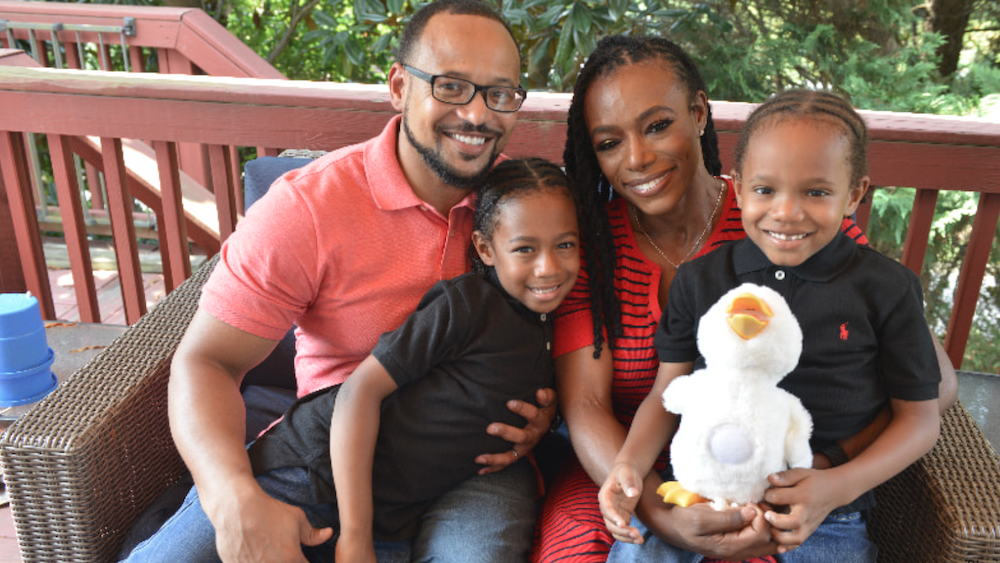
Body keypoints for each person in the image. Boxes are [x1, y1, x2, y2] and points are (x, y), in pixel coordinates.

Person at [119, 2, 557, 562]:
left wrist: (547, 410)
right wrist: (231, 496)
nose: (477, 115)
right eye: (451, 87)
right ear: (399, 86)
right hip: (324, 457)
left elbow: (576, 340)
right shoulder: (308, 207)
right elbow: (208, 361)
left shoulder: (525, 211)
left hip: (471, 463)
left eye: (499, 94)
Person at [531, 35, 958, 563]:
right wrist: (660, 514)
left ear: (699, 113)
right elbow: (588, 405)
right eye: (609, 142)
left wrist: (828, 470)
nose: (637, 158)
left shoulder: (785, 225)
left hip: (787, 484)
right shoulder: (590, 241)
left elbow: (929, 388)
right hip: (634, 469)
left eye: (658, 125)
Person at [244, 157, 580, 562]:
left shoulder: (560, 319)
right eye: (525, 248)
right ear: (485, 249)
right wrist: (356, 535)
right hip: (314, 466)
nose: (549, 268)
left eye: (565, 245)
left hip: (397, 511)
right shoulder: (467, 305)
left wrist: (543, 427)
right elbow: (359, 391)